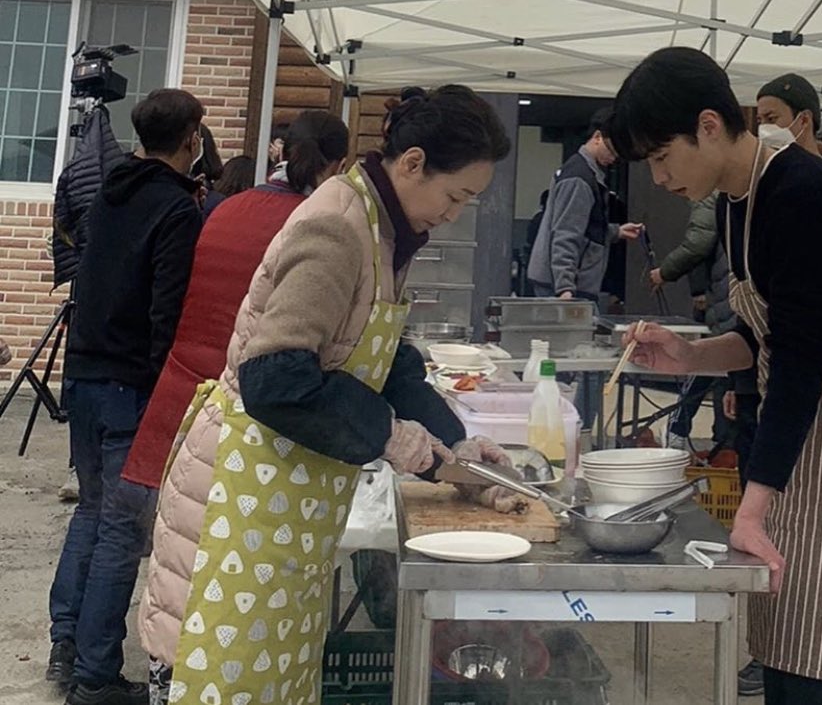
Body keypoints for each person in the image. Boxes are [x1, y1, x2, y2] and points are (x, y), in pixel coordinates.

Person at [139, 86, 514, 705]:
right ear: (413, 163)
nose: (454, 214)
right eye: (455, 197)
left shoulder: (384, 230)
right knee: (219, 683)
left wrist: (457, 451)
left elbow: (384, 362)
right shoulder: (339, 226)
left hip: (287, 515)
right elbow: (275, 377)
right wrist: (391, 437)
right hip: (242, 497)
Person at [611, 47, 822, 704]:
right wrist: (690, 355)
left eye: (663, 157)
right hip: (796, 435)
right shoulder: (733, 196)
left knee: (820, 667)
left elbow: (803, 362)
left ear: (709, 126)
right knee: (781, 655)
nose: (658, 179)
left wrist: (750, 509)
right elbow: (759, 335)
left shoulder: (802, 193)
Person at [47, 89, 206, 705]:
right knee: (121, 530)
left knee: (92, 510)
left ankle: (67, 640)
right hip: (128, 384)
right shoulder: (176, 208)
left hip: (84, 376)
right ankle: (93, 676)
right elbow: (168, 311)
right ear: (191, 137)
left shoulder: (109, 194)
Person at [121, 112, 349, 495]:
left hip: (181, 386)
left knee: (142, 524)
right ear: (341, 166)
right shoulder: (314, 224)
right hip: (244, 402)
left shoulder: (228, 207)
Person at [648, 194, 740, 452]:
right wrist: (696, 288)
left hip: (727, 298)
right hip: (724, 297)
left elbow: (699, 244)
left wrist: (666, 272)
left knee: (719, 368)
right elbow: (700, 245)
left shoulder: (713, 195)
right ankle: (706, 439)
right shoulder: (718, 196)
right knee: (719, 368)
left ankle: (717, 443)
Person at [527, 107, 643, 302]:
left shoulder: (581, 172)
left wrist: (616, 231)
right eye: (612, 150)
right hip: (566, 286)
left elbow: (584, 229)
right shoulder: (579, 179)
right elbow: (566, 234)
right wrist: (565, 288)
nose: (614, 158)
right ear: (597, 137)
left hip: (564, 281)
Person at [755, 72, 822, 155]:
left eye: (771, 119)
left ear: (804, 120)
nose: (763, 129)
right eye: (759, 121)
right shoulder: (767, 167)